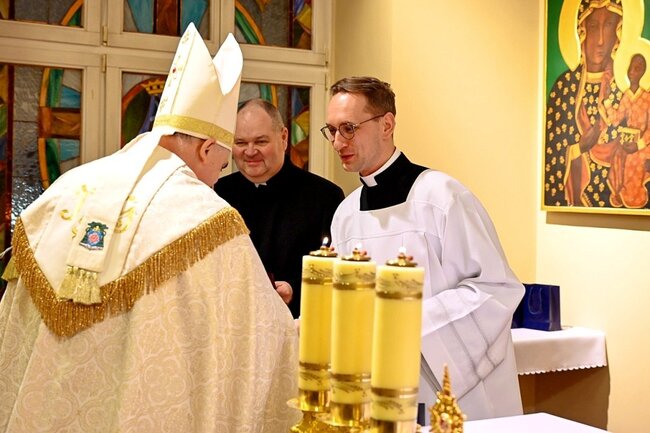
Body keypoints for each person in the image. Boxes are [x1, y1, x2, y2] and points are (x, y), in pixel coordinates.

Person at [0, 24, 299, 432]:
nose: (216, 180)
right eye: (220, 165)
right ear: (206, 148)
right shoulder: (206, 217)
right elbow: (261, 342)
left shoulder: (67, 188)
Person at [323, 76, 524, 421]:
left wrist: (404, 323)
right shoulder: (346, 214)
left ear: (387, 124)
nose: (339, 142)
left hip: (452, 391)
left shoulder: (442, 197)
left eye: (349, 129)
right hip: (379, 387)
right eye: (332, 131)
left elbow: (496, 289)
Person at [215, 98, 344, 318]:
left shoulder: (325, 197)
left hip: (296, 324)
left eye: (260, 141)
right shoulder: (217, 194)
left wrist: (295, 290)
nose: (250, 151)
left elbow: (335, 272)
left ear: (284, 138)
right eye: (241, 142)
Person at [544, 0, 624, 208]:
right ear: (582, 30)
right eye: (594, 26)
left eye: (609, 26)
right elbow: (549, 158)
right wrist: (579, 147)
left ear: (619, 31)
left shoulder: (625, 90)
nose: (600, 40)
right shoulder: (563, 88)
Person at [605, 53, 650, 208]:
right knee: (617, 155)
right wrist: (607, 102)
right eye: (632, 67)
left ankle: (633, 198)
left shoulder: (647, 97)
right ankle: (620, 194)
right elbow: (615, 120)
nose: (633, 71)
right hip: (628, 140)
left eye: (638, 68)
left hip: (644, 144)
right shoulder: (626, 96)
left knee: (633, 160)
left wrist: (638, 145)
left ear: (643, 72)